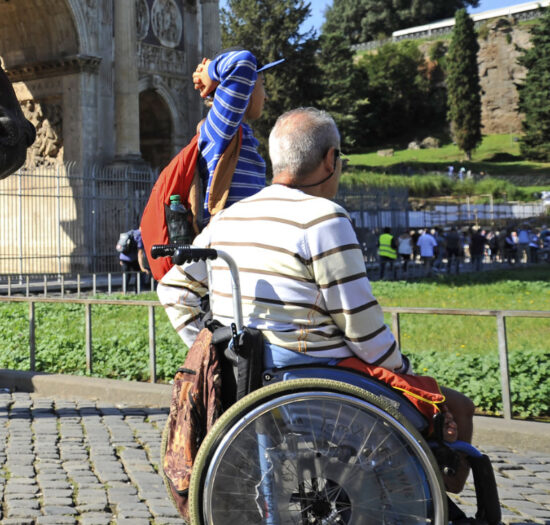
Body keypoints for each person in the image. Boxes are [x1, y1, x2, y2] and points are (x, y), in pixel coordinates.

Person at [157, 107, 475, 494]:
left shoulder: (226, 220)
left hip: (246, 382)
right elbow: (361, 327)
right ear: (331, 160)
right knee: (456, 406)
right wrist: (403, 370)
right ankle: (437, 498)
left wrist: (216, 355)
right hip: (316, 383)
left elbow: (173, 290)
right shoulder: (323, 218)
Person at [192, 48, 283, 224]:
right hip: (227, 247)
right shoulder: (221, 128)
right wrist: (210, 71)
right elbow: (243, 61)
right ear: (246, 85)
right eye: (262, 84)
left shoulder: (235, 133)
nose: (266, 97)